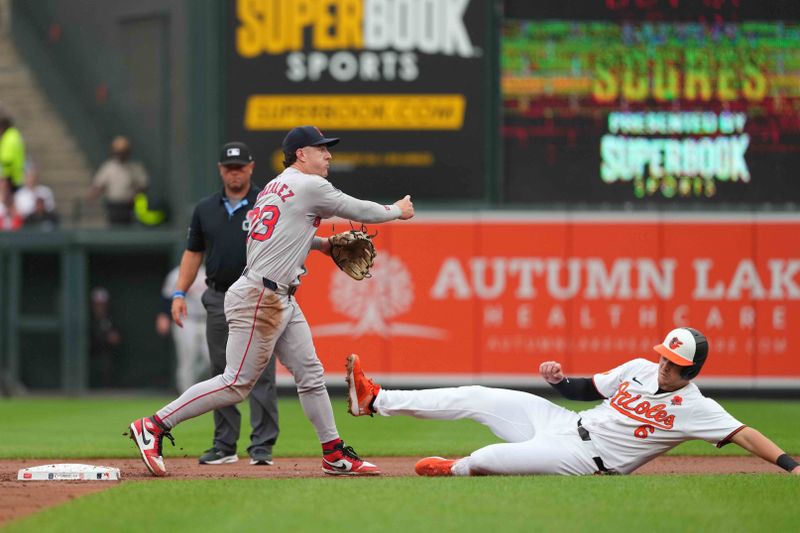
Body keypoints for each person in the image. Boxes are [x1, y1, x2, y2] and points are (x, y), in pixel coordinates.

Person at [128, 126, 414, 477]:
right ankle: (154, 425)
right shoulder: (309, 184)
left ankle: (334, 453)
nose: (328, 155)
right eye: (320, 149)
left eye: (328, 149)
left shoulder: (275, 188)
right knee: (236, 383)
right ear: (300, 154)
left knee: (310, 375)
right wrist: (396, 210)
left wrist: (322, 245)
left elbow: (280, 231)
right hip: (260, 297)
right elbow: (357, 209)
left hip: (278, 296)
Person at [345, 327, 800, 477]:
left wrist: (791, 465)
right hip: (565, 420)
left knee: (488, 457)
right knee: (477, 396)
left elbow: (744, 434)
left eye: (675, 363)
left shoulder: (697, 406)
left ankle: (456, 468)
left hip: (583, 458)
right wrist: (561, 381)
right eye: (665, 356)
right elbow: (588, 390)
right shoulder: (641, 368)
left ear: (691, 371)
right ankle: (375, 399)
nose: (665, 366)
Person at [155, 141, 280, 467]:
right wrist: (180, 293)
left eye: (240, 167)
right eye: (229, 167)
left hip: (257, 297)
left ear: (251, 168)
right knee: (222, 371)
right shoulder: (206, 208)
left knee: (261, 372)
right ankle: (225, 444)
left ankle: (262, 445)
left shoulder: (266, 203)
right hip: (219, 295)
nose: (234, 172)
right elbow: (193, 252)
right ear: (220, 169)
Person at [156, 265, 210, 393]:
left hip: (207, 320)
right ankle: (185, 396)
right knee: (187, 360)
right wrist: (164, 315)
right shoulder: (177, 274)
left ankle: (198, 389)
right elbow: (167, 297)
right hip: (186, 320)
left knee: (211, 360)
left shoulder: (209, 271)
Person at [87, 135, 149, 225]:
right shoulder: (109, 167)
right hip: (113, 205)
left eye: (123, 152)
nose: (121, 155)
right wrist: (92, 196)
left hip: (129, 205)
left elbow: (143, 185)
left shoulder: (135, 168)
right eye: (119, 152)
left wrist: (136, 194)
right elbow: (100, 185)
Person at [89, 287, 121, 388]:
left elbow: (117, 336)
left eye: (102, 304)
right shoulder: (87, 317)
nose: (99, 307)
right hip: (90, 352)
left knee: (107, 362)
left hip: (107, 353)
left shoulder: (112, 318)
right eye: (97, 304)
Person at [0, 106, 25, 190]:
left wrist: (4, 179)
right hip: (16, 178)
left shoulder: (9, 136)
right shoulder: (14, 134)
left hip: (10, 180)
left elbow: (7, 160)